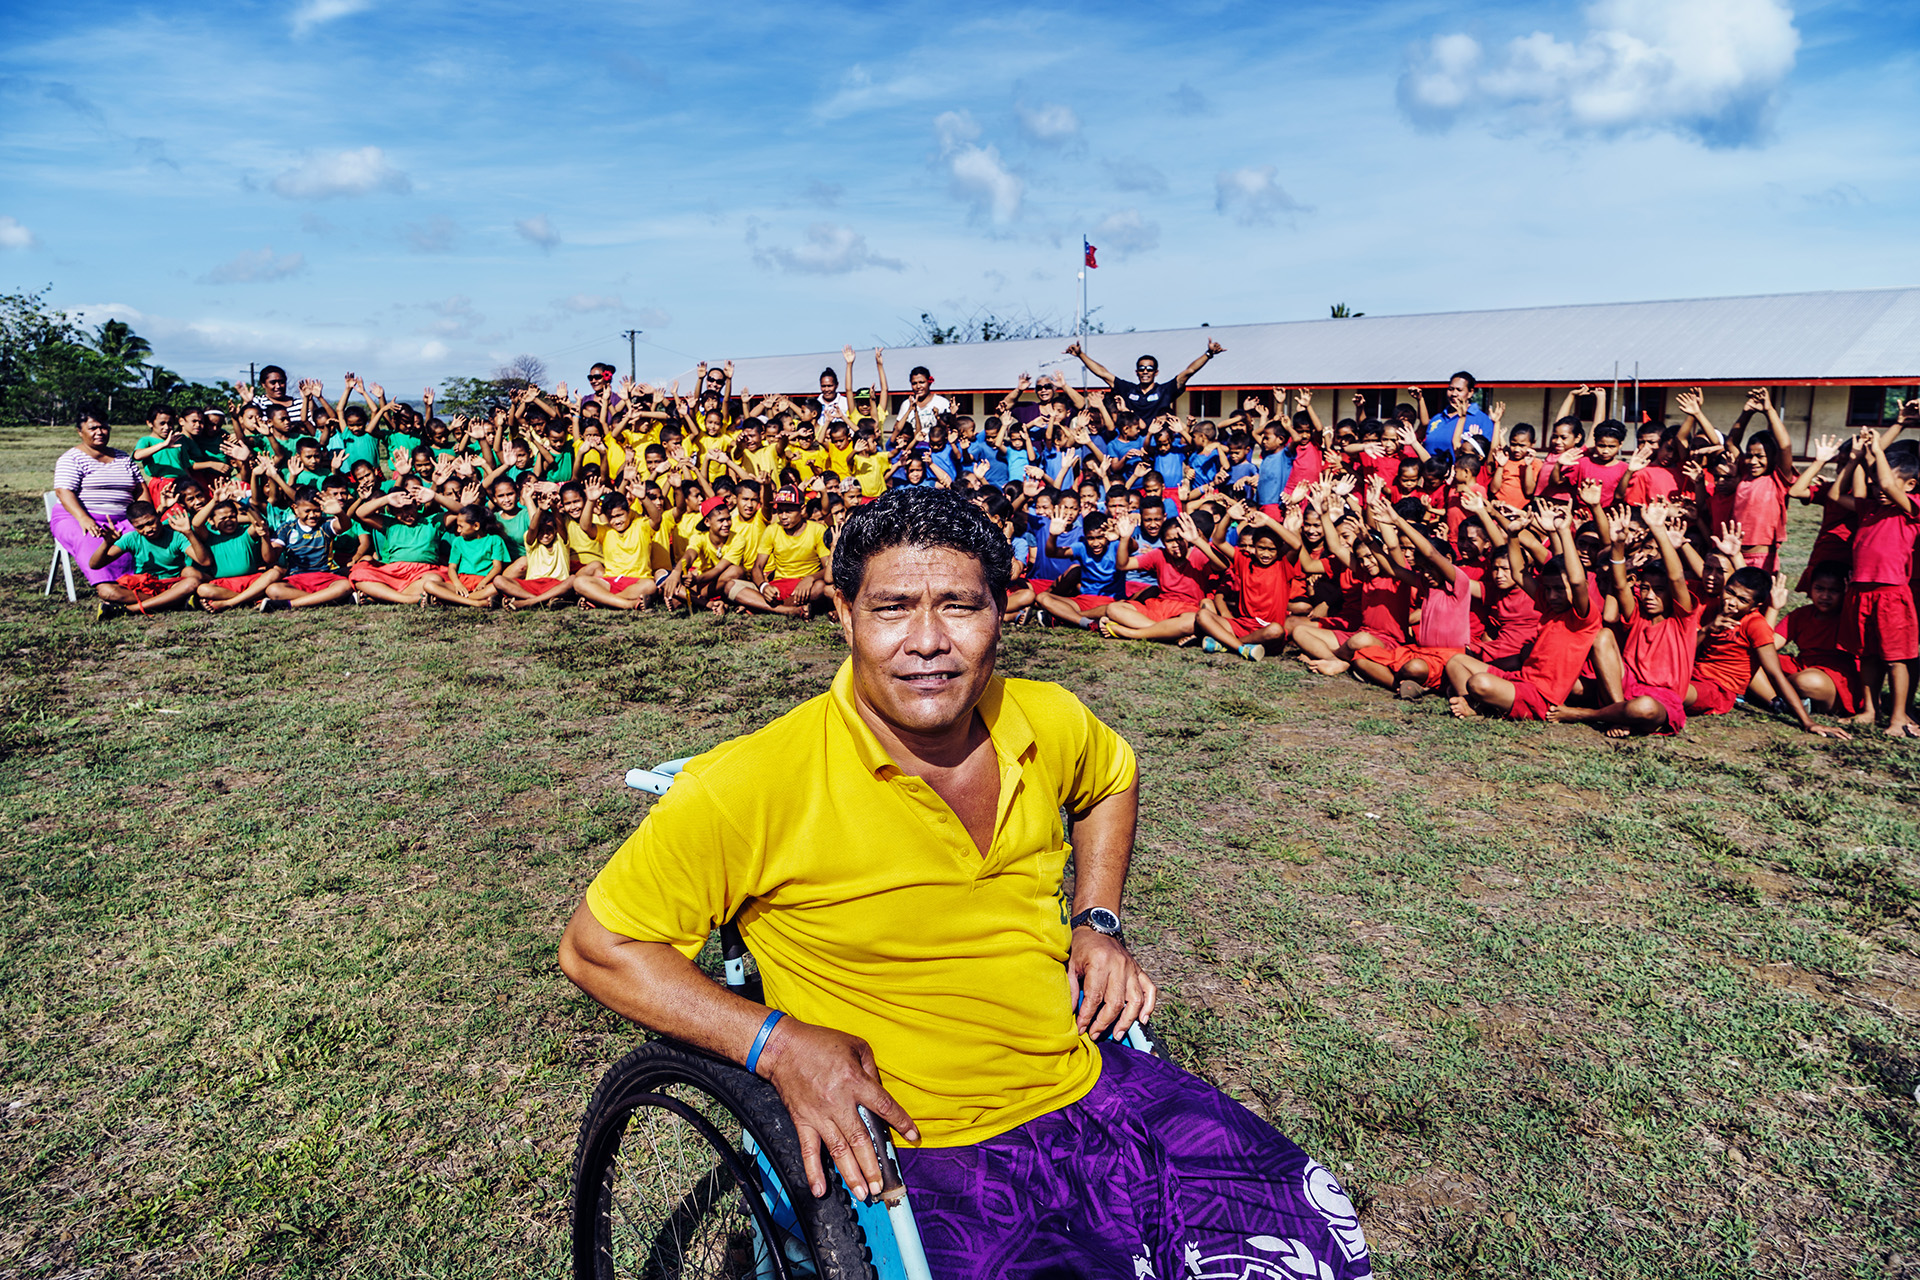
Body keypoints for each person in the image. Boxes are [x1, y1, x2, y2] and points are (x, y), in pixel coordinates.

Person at [557, 486, 1371, 1280]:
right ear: (842, 616)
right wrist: (775, 1043)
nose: (926, 641)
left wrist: (1098, 920)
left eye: (958, 605)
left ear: (1002, 614)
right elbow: (600, 947)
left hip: (1092, 1084)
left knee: (1317, 1239)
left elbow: (1111, 779)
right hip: (922, 1147)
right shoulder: (756, 784)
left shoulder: (1045, 717)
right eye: (891, 608)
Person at [51, 409, 146, 596]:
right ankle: (108, 587)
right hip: (78, 517)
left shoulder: (123, 458)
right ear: (80, 431)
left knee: (148, 534)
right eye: (93, 428)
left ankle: (145, 584)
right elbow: (63, 492)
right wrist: (84, 519)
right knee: (91, 538)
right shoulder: (71, 458)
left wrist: (145, 515)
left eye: (104, 427)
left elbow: (141, 490)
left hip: (123, 518)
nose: (99, 432)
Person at [1064, 339, 1225, 421]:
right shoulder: (1128, 389)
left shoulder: (1165, 390)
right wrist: (1081, 355)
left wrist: (1208, 354)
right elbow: (1102, 373)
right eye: (1141, 368)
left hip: (1157, 442)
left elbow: (1189, 372)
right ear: (1136, 372)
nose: (1145, 371)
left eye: (1149, 368)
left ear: (1156, 372)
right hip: (1132, 442)